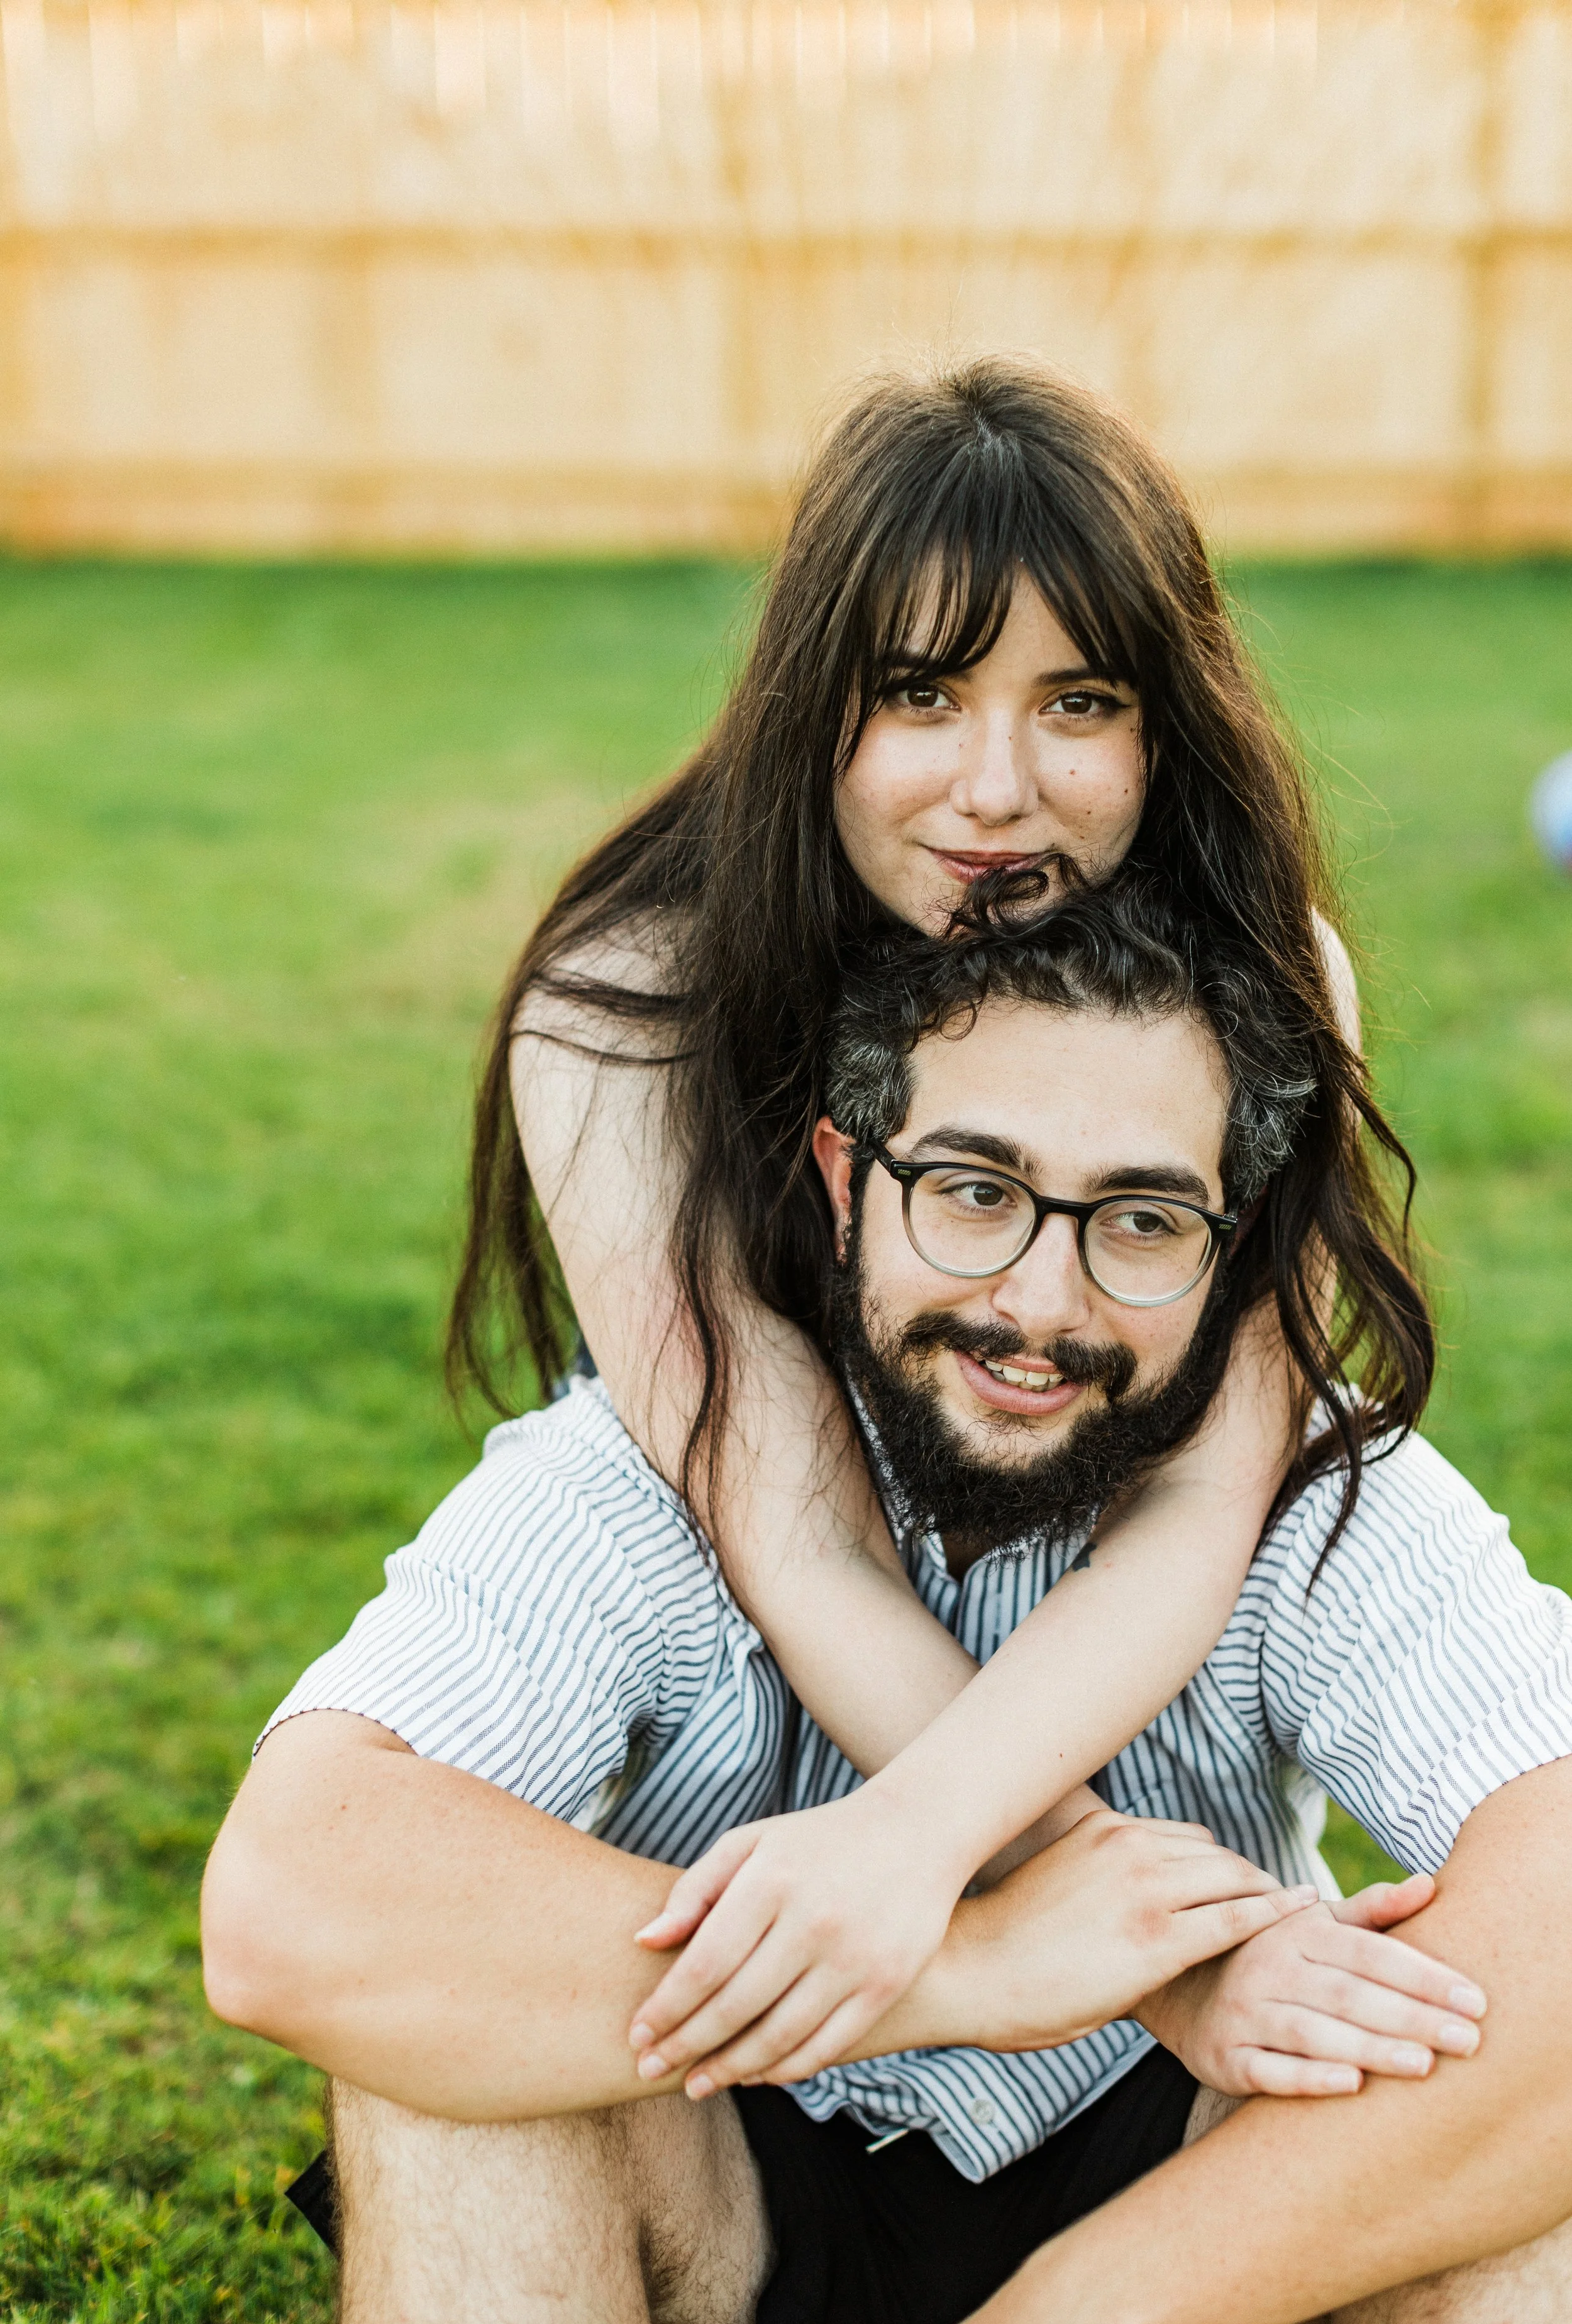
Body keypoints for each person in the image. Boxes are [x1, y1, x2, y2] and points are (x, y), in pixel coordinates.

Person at [202, 884, 1572, 2324]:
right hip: (738, 2186)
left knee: (1464, 2105)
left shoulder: (1313, 1490)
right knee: (454, 2040)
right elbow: (298, 1895)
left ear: (1226, 1247)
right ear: (847, 1180)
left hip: (1185, 2239)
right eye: (974, 1191)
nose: (1038, 1304)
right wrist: (966, 1967)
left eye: (1141, 1218)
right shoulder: (649, 1472)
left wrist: (1062, 2323)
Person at [448, 356, 1393, 2089]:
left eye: (1079, 700)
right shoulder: (619, 1003)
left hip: (1147, 1746)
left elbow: (1202, 1502)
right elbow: (791, 1523)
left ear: (1161, 723)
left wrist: (1081, 1896)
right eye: (921, 692)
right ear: (818, 699)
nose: (994, 788)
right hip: (748, 1811)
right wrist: (996, 1878)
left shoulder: (1268, 980)